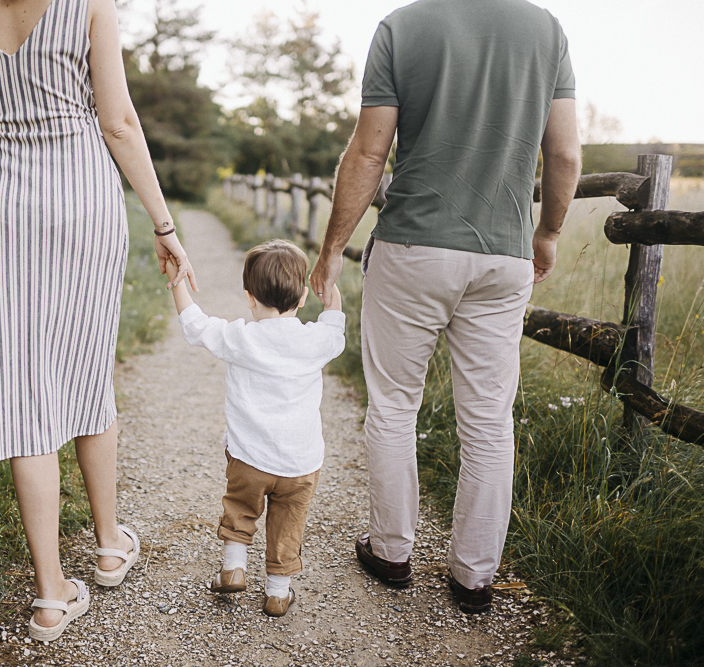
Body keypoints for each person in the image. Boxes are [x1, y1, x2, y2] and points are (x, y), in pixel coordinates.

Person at [0, 0, 197, 641]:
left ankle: (51, 595)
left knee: (21, 390)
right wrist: (163, 224)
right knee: (86, 362)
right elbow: (120, 123)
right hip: (81, 198)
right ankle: (108, 545)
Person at [310, 0, 582, 614]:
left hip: (412, 248)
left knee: (394, 406)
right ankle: (474, 576)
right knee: (488, 422)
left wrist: (332, 250)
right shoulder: (547, 30)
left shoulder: (401, 28)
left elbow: (367, 153)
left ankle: (392, 551)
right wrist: (547, 234)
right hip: (503, 258)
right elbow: (563, 154)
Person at [165, 240, 345, 616]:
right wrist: (333, 295)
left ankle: (233, 568)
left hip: (249, 458)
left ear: (249, 298)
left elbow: (196, 326)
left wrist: (176, 280)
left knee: (241, 507)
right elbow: (334, 326)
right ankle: (278, 593)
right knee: (288, 521)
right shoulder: (314, 340)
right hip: (300, 464)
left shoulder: (242, 338)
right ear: (300, 300)